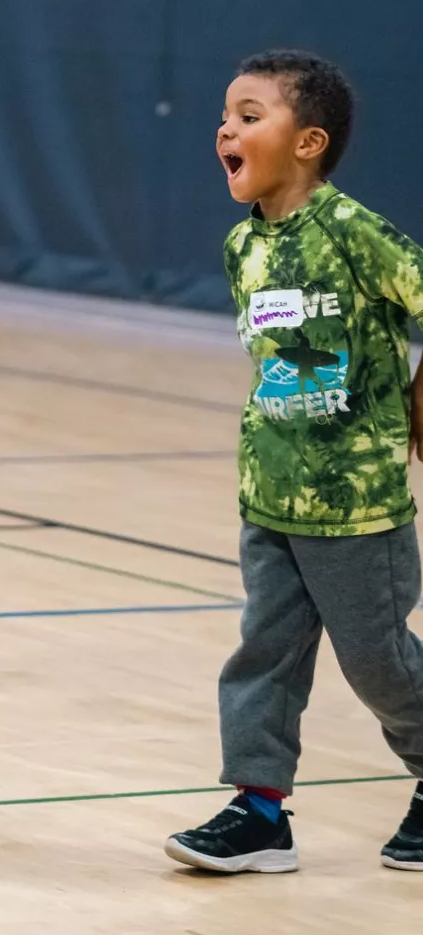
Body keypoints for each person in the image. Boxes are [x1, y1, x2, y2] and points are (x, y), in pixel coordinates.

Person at [165, 49, 423, 875]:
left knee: (377, 663)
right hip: (270, 493)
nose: (225, 129)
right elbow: (292, 362)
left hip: (357, 505)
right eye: (225, 117)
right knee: (263, 656)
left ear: (308, 141)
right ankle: (259, 809)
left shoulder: (354, 232)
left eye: (249, 115)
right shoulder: (244, 247)